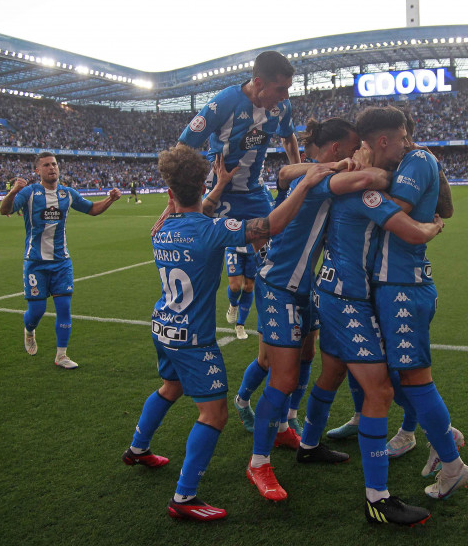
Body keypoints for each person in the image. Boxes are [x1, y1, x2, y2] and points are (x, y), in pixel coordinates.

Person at [122, 145, 331, 521]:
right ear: (198, 186)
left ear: (169, 193)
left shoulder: (161, 227)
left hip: (163, 326)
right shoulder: (213, 230)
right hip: (194, 339)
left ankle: (138, 448)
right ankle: (184, 499)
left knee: (170, 388)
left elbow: (192, 208)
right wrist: (304, 183)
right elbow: (270, 226)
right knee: (215, 414)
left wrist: (216, 187)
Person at [290, 107, 444, 525]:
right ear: (373, 146)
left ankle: (307, 444)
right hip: (346, 298)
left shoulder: (341, 181)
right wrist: (432, 227)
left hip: (332, 289)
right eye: (394, 147)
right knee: (379, 392)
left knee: (333, 371)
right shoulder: (364, 190)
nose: (400, 154)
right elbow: (411, 231)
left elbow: (293, 175)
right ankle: (377, 497)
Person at [243, 118, 402, 494]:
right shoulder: (323, 181)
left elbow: (286, 170)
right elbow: (364, 181)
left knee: (305, 358)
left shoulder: (320, 173)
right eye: (350, 150)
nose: (353, 156)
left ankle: (286, 431)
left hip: (303, 286)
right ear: (336, 151)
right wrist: (404, 174)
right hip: (279, 286)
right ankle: (258, 464)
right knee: (281, 377)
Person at [368, 107, 468, 502]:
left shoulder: (416, 159)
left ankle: (452, 466)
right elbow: (437, 210)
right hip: (393, 287)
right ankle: (438, 433)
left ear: (389, 138)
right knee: (393, 377)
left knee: (413, 378)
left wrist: (361, 183)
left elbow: (396, 213)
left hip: (403, 288)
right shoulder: (417, 159)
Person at [165, 51, 301, 340]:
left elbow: (288, 137)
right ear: (259, 82)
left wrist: (296, 171)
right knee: (195, 258)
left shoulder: (282, 108)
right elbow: (181, 147)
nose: (285, 96)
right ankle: (179, 327)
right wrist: (174, 200)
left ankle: (274, 329)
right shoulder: (225, 102)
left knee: (271, 257)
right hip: (219, 193)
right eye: (280, 89)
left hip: (253, 194)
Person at [0, 152, 121, 369]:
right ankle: (29, 330)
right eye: (46, 165)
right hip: (35, 262)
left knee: (64, 308)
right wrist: (14, 190)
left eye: (54, 164)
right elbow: (4, 210)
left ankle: (61, 355)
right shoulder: (29, 193)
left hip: (61, 262)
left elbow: (92, 209)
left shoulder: (67, 193)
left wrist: (110, 199)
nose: (52, 168)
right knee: (36, 311)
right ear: (38, 171)